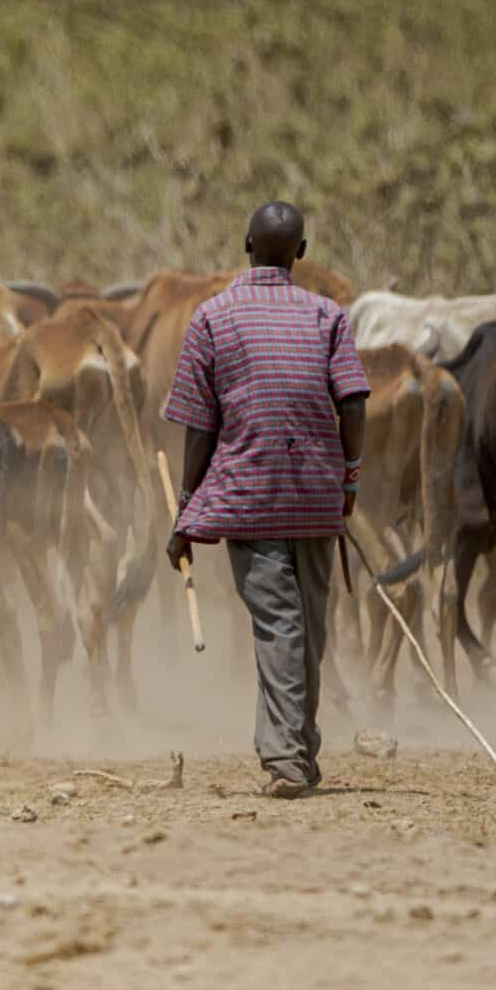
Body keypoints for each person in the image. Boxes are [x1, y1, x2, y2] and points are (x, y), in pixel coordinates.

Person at [164, 201, 368, 798]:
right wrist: (350, 478)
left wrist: (186, 508)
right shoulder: (329, 316)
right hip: (315, 496)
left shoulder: (211, 317)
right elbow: (353, 401)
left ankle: (286, 758)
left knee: (280, 624)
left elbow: (199, 427)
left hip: (247, 496)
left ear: (245, 243)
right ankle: (296, 747)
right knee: (307, 626)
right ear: (301, 253)